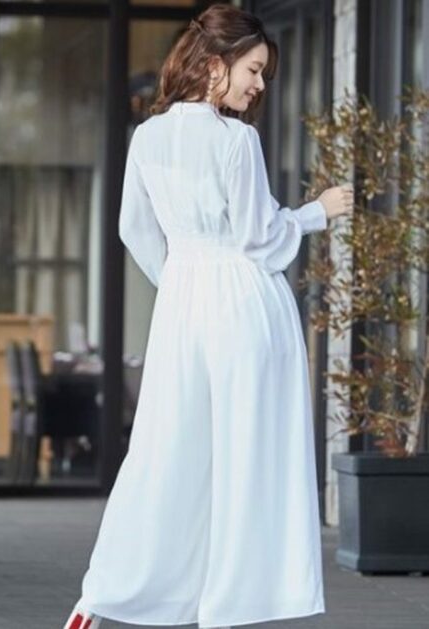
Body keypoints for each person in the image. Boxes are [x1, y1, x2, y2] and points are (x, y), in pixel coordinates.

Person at [63, 4, 354, 629]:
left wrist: (180, 282)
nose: (259, 85)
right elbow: (260, 238)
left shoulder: (148, 136)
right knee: (247, 458)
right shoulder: (236, 141)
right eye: (254, 70)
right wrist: (317, 212)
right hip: (245, 306)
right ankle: (229, 604)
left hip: (182, 308)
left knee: (164, 453)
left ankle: (103, 593)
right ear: (216, 64)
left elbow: (133, 229)